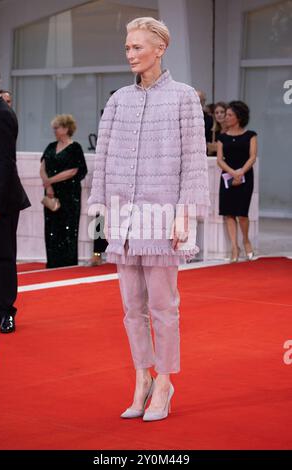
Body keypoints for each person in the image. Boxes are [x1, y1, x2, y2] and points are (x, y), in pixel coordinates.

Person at [88, 17, 210, 421]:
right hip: (123, 217)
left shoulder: (183, 98)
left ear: (160, 49)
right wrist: (100, 210)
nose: (130, 54)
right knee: (130, 308)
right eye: (127, 47)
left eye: (137, 47)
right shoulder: (119, 99)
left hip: (162, 218)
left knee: (163, 307)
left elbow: (194, 162)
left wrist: (184, 216)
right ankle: (141, 377)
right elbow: (102, 158)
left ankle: (164, 381)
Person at [0, 64, 31, 333]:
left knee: (3, 256)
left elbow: (6, 162)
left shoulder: (2, 114)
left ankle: (7, 311)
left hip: (2, 200)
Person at [40, 114, 87, 268]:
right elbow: (43, 167)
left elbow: (73, 171)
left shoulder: (75, 148)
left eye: (57, 127)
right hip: (51, 192)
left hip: (69, 194)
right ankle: (53, 261)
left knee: (68, 226)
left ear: (66, 129)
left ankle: (67, 262)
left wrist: (50, 181)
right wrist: (48, 186)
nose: (54, 130)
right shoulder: (50, 146)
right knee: (51, 227)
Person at [217, 101, 257, 262]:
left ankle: (246, 240)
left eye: (229, 115)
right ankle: (234, 247)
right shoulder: (222, 137)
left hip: (245, 176)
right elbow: (220, 159)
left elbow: (252, 156)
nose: (226, 117)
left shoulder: (250, 135)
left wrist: (240, 172)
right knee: (229, 213)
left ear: (238, 117)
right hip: (227, 177)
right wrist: (233, 172)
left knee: (242, 213)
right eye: (226, 114)